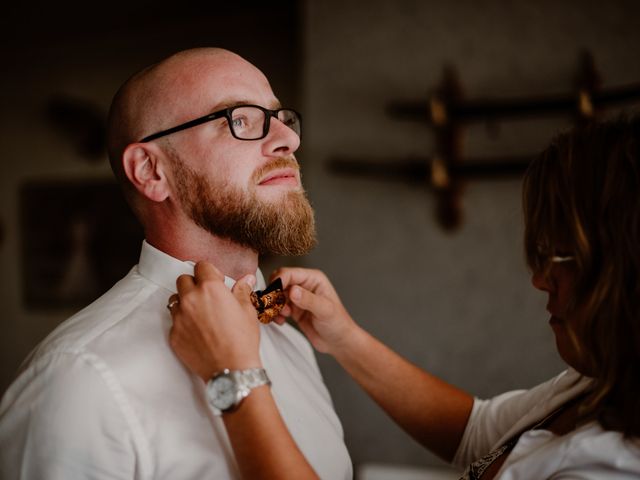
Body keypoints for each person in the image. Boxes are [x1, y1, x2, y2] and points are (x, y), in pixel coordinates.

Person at [167, 115, 640, 479]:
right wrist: (344, 339)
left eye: (559, 257)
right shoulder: (598, 382)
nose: (539, 280)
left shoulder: (611, 469)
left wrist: (234, 373)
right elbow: (482, 434)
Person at [0, 48, 352, 480]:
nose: (289, 140)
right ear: (150, 171)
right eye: (238, 119)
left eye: (282, 118)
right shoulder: (77, 382)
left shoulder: (291, 340)